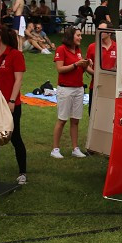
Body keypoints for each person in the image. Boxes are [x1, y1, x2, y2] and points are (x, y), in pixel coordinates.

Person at [0, 25, 27, 185]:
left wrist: (12, 100)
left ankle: (22, 172)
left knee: (15, 137)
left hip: (11, 104)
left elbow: (18, 79)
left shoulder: (15, 55)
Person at [52, 25, 89, 159]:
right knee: (62, 120)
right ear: (71, 36)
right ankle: (55, 149)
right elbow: (60, 69)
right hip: (65, 89)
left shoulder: (78, 50)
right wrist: (76, 65)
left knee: (75, 120)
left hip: (78, 88)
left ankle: (75, 148)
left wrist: (84, 65)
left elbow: (80, 69)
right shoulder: (61, 49)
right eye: (78, 35)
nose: (80, 37)